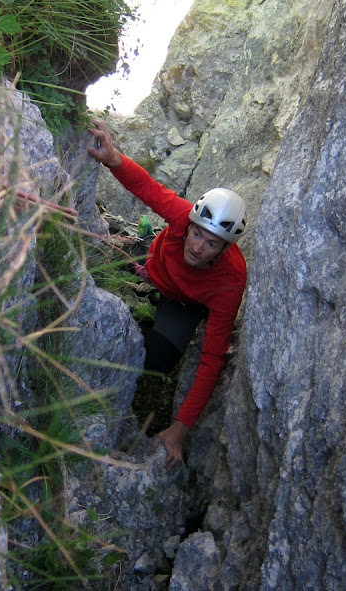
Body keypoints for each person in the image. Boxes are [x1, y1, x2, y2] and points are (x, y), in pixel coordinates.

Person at [87, 120, 248, 469]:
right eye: (197, 235)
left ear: (222, 251)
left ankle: (123, 339)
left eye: (212, 244)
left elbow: (212, 360)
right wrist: (112, 158)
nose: (198, 247)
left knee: (158, 359)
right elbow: (149, 189)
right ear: (189, 225)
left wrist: (181, 427)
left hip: (185, 304)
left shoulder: (230, 282)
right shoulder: (182, 218)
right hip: (155, 267)